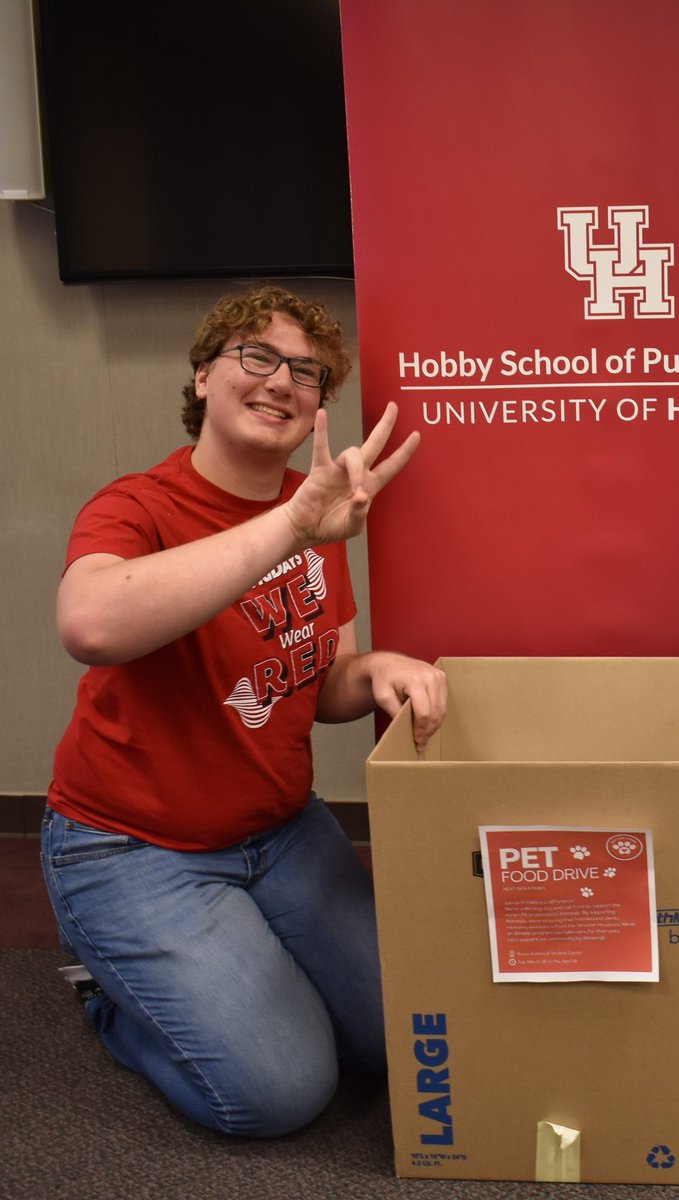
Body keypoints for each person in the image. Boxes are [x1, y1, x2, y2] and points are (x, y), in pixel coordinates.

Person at [42, 283, 447, 1137]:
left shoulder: (319, 508)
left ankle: (233, 960)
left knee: (404, 1038)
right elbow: (90, 625)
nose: (281, 381)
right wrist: (293, 525)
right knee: (278, 1095)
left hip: (279, 830)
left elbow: (320, 681)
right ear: (201, 379)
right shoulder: (139, 506)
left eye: (306, 372)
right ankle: (118, 1002)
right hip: (132, 849)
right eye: (255, 356)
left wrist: (375, 667)